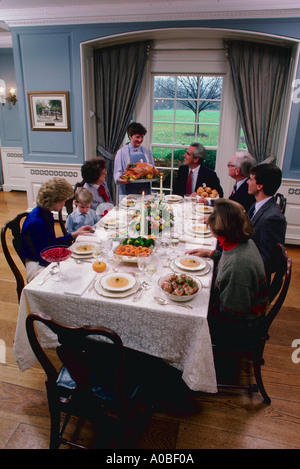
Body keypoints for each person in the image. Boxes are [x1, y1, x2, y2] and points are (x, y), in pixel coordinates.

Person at [187, 199, 269, 342]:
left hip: (241, 326)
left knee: (185, 311)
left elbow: (233, 313)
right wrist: (212, 253)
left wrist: (198, 307)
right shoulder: (241, 242)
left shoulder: (237, 266)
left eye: (213, 216)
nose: (209, 219)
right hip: (240, 306)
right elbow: (229, 259)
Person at [20, 178, 93, 282]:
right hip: (36, 264)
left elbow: (50, 243)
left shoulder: (45, 213)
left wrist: (74, 234)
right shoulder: (37, 222)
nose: (64, 203)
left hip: (43, 254)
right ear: (55, 201)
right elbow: (44, 256)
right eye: (63, 201)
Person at [247, 163, 286, 274]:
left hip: (253, 277)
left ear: (260, 186)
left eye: (250, 179)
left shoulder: (272, 218)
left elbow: (267, 262)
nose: (247, 182)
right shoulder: (257, 204)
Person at [114, 122, 155, 198]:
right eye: (137, 137)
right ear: (130, 136)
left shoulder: (147, 152)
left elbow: (152, 169)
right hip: (126, 191)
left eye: (142, 137)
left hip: (145, 190)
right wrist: (120, 179)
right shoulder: (121, 153)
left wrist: (158, 175)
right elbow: (117, 172)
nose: (140, 140)